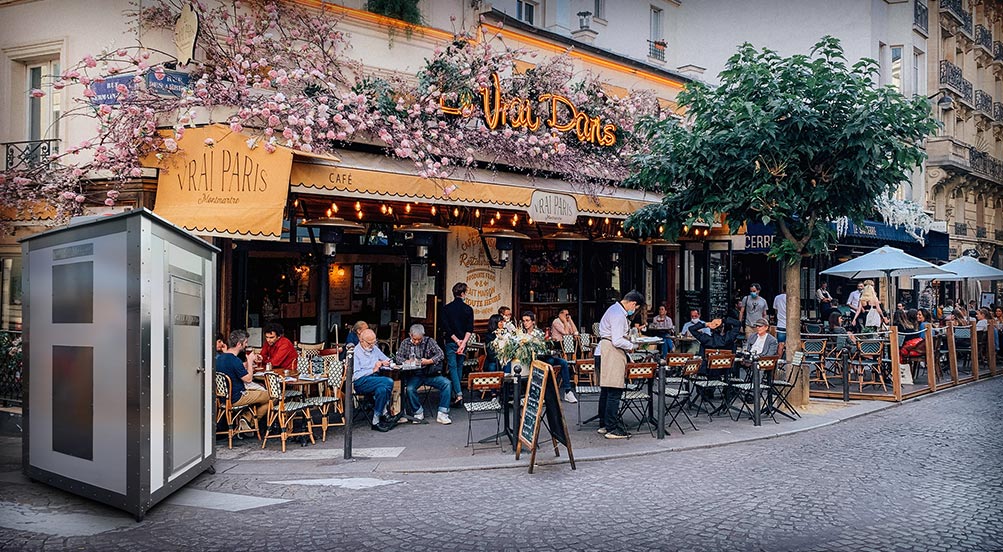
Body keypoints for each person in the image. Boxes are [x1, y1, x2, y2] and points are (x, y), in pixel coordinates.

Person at [594, 290, 644, 439]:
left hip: (604, 350)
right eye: (635, 308)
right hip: (611, 351)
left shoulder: (614, 310)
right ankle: (612, 427)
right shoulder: (618, 315)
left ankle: (604, 423)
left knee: (606, 390)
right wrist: (632, 345)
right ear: (633, 303)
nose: (634, 310)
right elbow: (617, 340)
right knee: (614, 390)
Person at [395, 324, 451, 425]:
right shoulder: (405, 343)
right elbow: (398, 357)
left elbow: (441, 354)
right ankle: (418, 412)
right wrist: (407, 361)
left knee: (446, 383)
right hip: (415, 374)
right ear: (410, 335)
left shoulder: (429, 341)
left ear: (423, 336)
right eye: (414, 339)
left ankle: (443, 413)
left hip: (430, 373)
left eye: (419, 339)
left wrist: (429, 361)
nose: (416, 341)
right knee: (410, 389)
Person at [215, 329, 269, 427]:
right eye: (245, 343)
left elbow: (235, 367)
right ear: (239, 344)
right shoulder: (235, 360)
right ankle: (248, 421)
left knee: (260, 393)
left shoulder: (221, 357)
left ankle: (246, 419)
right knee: (272, 396)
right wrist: (249, 361)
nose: (246, 345)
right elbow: (248, 379)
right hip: (237, 397)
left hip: (223, 398)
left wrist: (248, 363)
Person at [520, 311, 577, 403]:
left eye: (527, 320)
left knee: (563, 362)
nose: (525, 323)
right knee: (549, 361)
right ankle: (545, 392)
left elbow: (544, 346)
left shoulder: (538, 333)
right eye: (524, 321)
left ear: (533, 322)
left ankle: (568, 391)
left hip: (543, 356)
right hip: (532, 359)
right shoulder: (522, 334)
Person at [352, 328, 399, 432]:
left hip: (376, 379)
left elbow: (385, 359)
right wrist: (373, 369)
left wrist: (389, 363)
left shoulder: (374, 348)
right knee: (389, 382)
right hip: (361, 381)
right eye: (370, 343)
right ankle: (384, 412)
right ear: (361, 341)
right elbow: (355, 375)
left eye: (374, 342)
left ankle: (375, 421)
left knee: (382, 390)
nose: (372, 346)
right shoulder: (355, 353)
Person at [442, 282, 474, 406]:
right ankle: (458, 393)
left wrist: (456, 341)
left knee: (453, 367)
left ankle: (458, 394)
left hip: (451, 341)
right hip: (463, 342)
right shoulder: (468, 309)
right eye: (466, 292)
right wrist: (463, 343)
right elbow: (469, 329)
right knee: (459, 366)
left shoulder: (446, 308)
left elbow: (446, 328)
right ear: (462, 294)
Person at [773, 288, 787, 358]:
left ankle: (779, 362)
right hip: (791, 325)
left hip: (781, 323)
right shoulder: (792, 297)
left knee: (780, 344)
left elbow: (775, 310)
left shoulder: (777, 298)